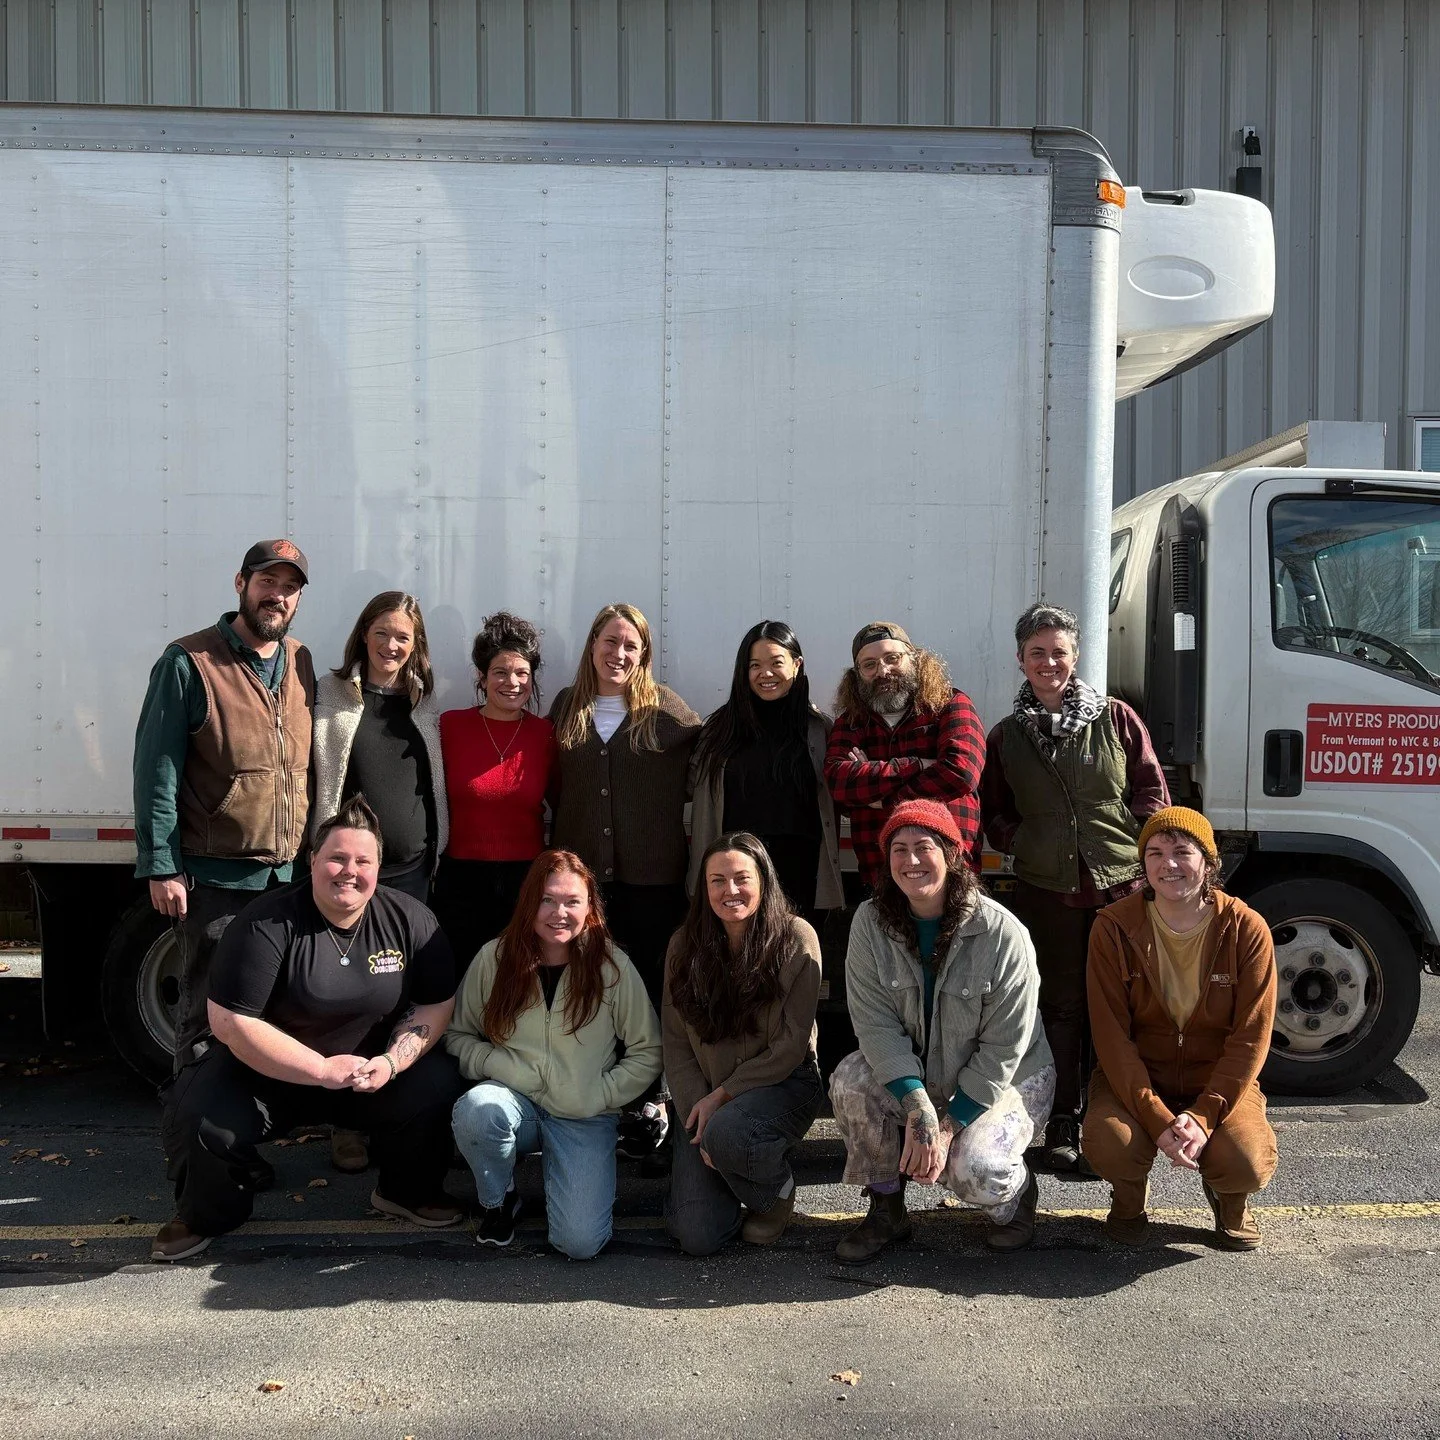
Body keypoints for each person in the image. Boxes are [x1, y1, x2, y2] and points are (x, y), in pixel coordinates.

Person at [152, 797, 465, 1261]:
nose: (349, 871)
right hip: (270, 1074)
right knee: (198, 1111)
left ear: (379, 868)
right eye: (337, 857)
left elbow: (436, 1004)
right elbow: (231, 1023)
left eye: (363, 861)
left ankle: (406, 1192)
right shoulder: (266, 922)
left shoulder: (411, 920)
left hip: (366, 1074)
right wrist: (318, 1069)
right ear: (313, 860)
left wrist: (390, 1062)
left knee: (440, 1083)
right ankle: (206, 1215)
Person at [981, 602, 1169, 1173]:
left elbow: (1152, 792)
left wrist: (1133, 848)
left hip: (1119, 890)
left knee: (1119, 1007)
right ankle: (1062, 1119)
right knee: (1059, 1007)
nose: (1048, 662)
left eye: (1058, 651)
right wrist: (1025, 846)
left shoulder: (1117, 719)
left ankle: (1119, 1119)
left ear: (1075, 656)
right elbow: (994, 812)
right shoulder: (1007, 735)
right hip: (1048, 891)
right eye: (1036, 653)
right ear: (1020, 661)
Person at [829, 799, 1055, 1263]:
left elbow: (1003, 1050)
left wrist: (947, 1126)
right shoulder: (870, 924)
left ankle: (1017, 1198)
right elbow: (874, 1026)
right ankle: (886, 1209)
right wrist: (918, 1108)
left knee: (976, 1171)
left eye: (924, 847)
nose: (911, 861)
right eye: (899, 849)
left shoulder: (1001, 933)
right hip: (923, 1072)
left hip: (1008, 1076)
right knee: (851, 1082)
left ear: (952, 854)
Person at [133, 539, 315, 1072]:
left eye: (289, 587)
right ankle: (194, 1148)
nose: (276, 596)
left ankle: (243, 1138)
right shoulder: (189, 662)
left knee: (274, 1019)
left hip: (287, 879)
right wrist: (161, 864)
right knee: (205, 1022)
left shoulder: (300, 660)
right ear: (241, 584)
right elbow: (156, 770)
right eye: (266, 583)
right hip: (217, 881)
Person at [447, 851, 662, 1259]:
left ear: (590, 908)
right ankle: (499, 1200)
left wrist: (601, 1093)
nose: (558, 912)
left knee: (579, 1244)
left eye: (572, 901)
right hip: (516, 1103)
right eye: (547, 900)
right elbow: (457, 1035)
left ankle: (570, 1174)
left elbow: (648, 1050)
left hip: (584, 1111)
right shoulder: (495, 958)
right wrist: (496, 1064)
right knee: (478, 1109)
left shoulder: (612, 967)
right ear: (529, 902)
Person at [1084, 808, 1278, 1250]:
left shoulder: (1245, 928)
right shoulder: (1113, 928)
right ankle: (1128, 1199)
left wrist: (1205, 1114)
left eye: (1181, 851)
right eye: (1154, 852)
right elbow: (1112, 1036)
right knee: (1112, 1143)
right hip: (1137, 1077)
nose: (1167, 864)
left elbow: (1251, 1035)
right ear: (1142, 863)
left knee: (1244, 1159)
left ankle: (1230, 1201)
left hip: (1215, 1079)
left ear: (1208, 862)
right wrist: (1156, 1117)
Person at [548, 604, 698, 1157]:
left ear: (645, 655)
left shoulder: (667, 712)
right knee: (592, 986)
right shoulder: (568, 707)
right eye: (610, 641)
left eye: (631, 645)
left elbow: (708, 758)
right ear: (592, 646)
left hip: (652, 881)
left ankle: (651, 1100)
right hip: (585, 885)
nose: (619, 654)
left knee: (652, 988)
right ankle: (597, 1094)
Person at [664, 833, 824, 1255]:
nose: (729, 890)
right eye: (717, 880)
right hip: (705, 1096)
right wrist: (699, 1114)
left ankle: (775, 1191)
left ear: (764, 881)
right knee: (698, 1237)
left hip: (783, 1085)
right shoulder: (683, 945)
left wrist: (723, 1100)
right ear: (704, 888)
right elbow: (676, 1043)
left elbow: (790, 1047)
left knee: (729, 1133)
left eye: (741, 878)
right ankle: (725, 1169)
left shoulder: (796, 939)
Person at [688, 622, 843, 919]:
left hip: (803, 871)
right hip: (736, 873)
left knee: (797, 955)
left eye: (776, 663)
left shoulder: (819, 729)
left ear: (797, 665)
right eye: (755, 665)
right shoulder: (718, 731)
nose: (765, 673)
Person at [823, 622, 986, 891]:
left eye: (892, 658)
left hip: (952, 869)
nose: (883, 671)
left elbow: (960, 773)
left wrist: (880, 795)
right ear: (857, 675)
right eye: (869, 664)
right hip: (880, 873)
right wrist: (919, 764)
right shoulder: (850, 722)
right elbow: (839, 783)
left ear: (915, 658)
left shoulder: (950, 705)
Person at [436, 613, 557, 965]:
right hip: (459, 880)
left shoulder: (545, 735)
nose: (512, 682)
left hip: (527, 880)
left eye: (522, 673)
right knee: (461, 976)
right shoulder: (450, 726)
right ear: (482, 676)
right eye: (500, 672)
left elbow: (565, 802)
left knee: (518, 977)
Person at [312, 591, 446, 904]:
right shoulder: (330, 693)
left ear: (415, 644)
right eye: (381, 634)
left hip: (413, 874)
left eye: (402, 637)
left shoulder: (424, 701)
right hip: (347, 873)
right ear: (364, 635)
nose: (390, 646)